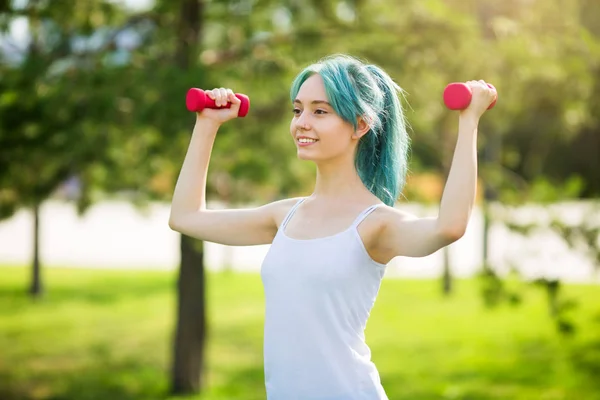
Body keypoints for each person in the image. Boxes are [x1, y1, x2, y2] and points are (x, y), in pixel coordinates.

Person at [168, 54, 497, 400]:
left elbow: (449, 227)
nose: (302, 123)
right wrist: (207, 124)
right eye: (298, 110)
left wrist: (469, 120)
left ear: (360, 126)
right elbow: (185, 217)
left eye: (320, 111)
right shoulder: (285, 216)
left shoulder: (375, 224)